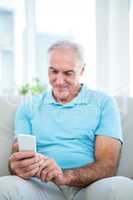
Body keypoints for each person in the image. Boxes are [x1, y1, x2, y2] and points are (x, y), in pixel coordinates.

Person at [0, 40, 133, 200]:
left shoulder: (103, 103)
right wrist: (17, 166)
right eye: (53, 71)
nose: (59, 80)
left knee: (123, 187)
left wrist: (65, 176)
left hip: (89, 188)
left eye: (68, 73)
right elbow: (18, 158)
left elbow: (107, 165)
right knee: (4, 186)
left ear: (82, 69)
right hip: (42, 186)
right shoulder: (28, 107)